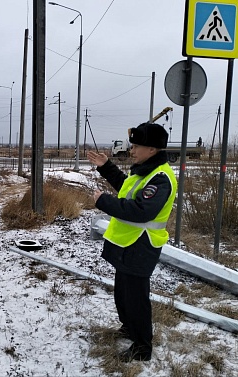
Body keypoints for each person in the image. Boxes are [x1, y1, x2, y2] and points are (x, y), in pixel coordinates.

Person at [87, 123, 177, 362]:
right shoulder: (144, 171)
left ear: (152, 149)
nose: (132, 150)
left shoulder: (161, 179)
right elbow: (126, 189)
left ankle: (142, 347)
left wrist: (103, 202)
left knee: (136, 298)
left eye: (137, 146)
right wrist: (106, 167)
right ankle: (129, 328)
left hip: (141, 245)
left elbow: (140, 211)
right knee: (123, 293)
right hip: (127, 243)